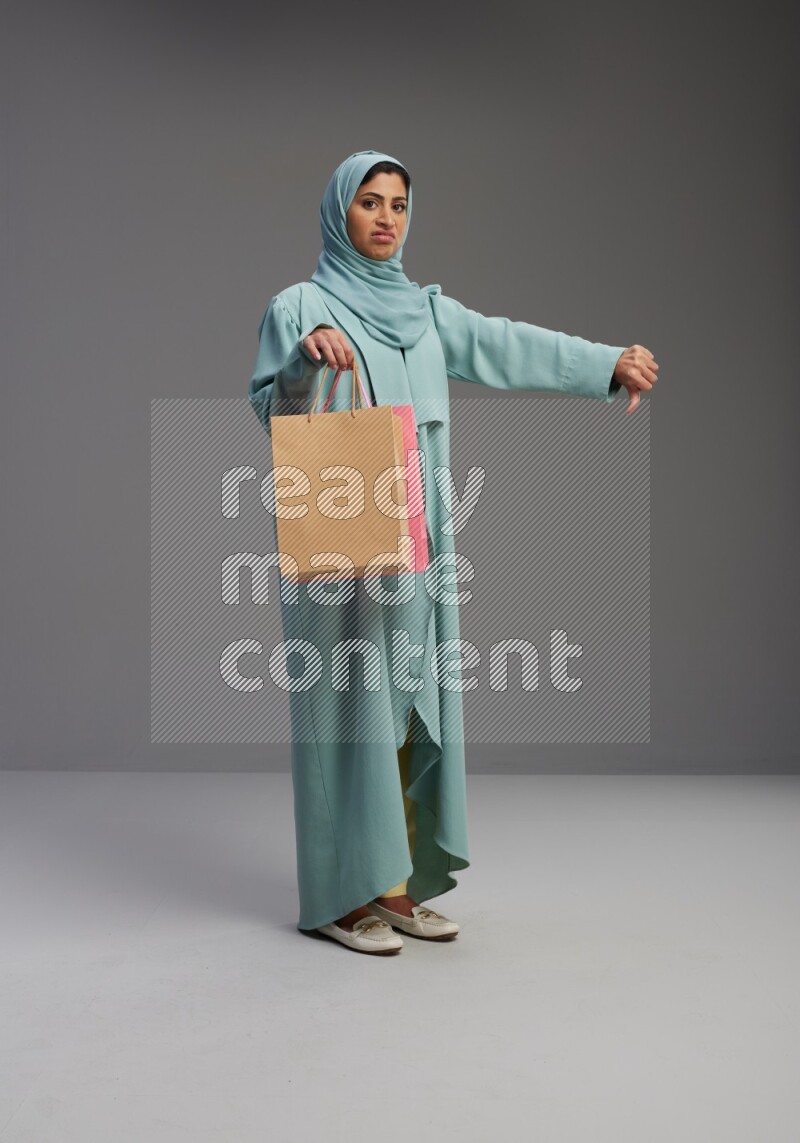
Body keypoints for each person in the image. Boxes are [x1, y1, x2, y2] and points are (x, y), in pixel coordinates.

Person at [247, 149, 659, 956]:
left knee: (410, 698)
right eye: (370, 201)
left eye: (399, 204)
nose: (386, 218)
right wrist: (305, 358)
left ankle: (394, 885)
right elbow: (270, 408)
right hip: (342, 533)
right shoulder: (300, 306)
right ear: (339, 211)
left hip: (421, 537)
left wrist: (606, 363)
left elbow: (510, 345)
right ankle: (337, 896)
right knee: (345, 708)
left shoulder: (425, 312)